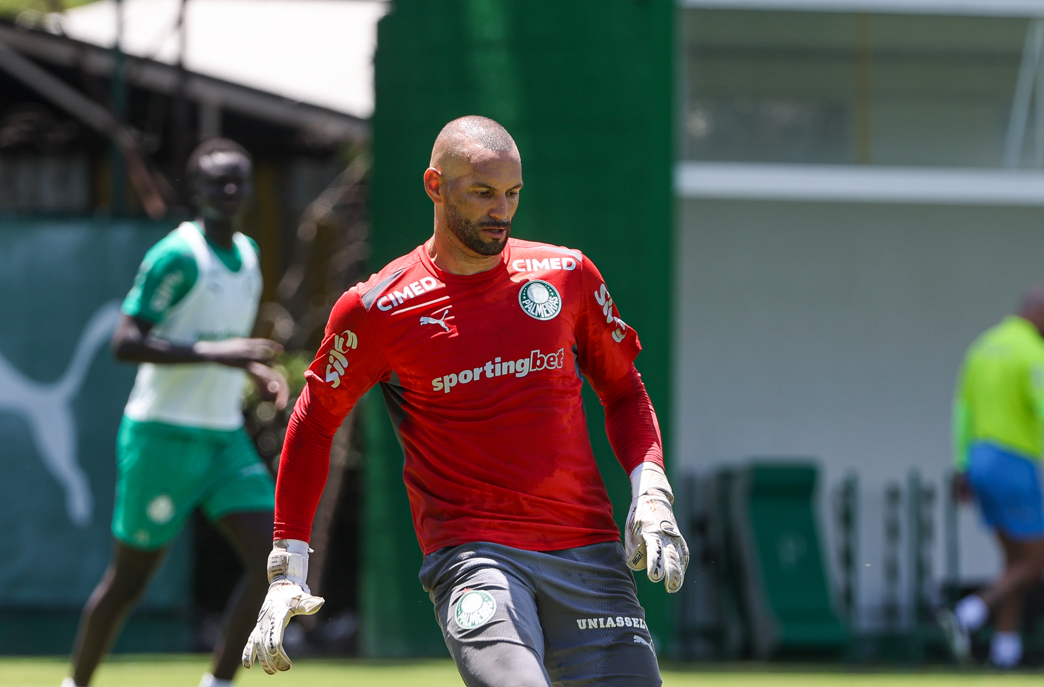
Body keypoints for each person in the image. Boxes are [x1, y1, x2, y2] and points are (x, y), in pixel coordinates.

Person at [241, 116, 688, 687]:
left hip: (587, 547)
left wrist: (651, 492)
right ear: (434, 184)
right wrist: (287, 565)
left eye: (512, 193)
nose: (500, 210)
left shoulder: (567, 274)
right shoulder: (376, 308)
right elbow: (313, 421)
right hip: (475, 557)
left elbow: (625, 390)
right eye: (482, 192)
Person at [64, 138, 289, 687]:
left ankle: (216, 681)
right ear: (197, 190)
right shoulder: (177, 255)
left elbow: (218, 339)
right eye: (217, 181)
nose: (229, 190)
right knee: (129, 583)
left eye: (237, 180)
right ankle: (75, 683)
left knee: (274, 564)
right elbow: (126, 341)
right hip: (161, 435)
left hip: (222, 438)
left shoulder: (251, 255)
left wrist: (251, 370)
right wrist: (221, 354)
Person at [939, 287, 1044, 669]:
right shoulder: (1032, 353)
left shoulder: (982, 348)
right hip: (1013, 460)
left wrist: (962, 465)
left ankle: (1005, 651)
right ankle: (969, 613)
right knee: (1036, 562)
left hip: (980, 460)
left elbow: (962, 410)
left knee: (1015, 560)